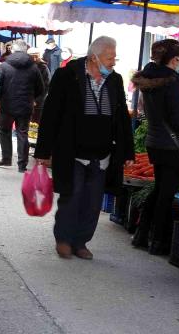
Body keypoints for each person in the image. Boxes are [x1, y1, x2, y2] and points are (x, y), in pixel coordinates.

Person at [34, 36, 134, 260]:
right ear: (93, 57)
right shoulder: (67, 76)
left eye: (114, 58)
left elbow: (121, 119)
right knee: (72, 196)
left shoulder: (115, 80)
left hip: (103, 154)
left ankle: (81, 242)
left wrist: (127, 151)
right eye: (109, 58)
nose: (113, 63)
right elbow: (51, 114)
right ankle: (63, 239)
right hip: (73, 152)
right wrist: (43, 151)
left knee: (92, 201)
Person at [130, 39, 179, 255]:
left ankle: (142, 235)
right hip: (171, 145)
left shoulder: (149, 79)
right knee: (166, 194)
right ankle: (157, 241)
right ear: (175, 59)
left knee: (160, 188)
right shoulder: (171, 83)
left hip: (155, 143)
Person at [0, 40, 45, 173]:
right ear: (25, 51)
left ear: (12, 50)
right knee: (22, 133)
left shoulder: (4, 66)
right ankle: (22, 165)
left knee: (4, 131)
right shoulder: (34, 67)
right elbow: (41, 88)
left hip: (7, 105)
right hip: (26, 106)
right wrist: (34, 100)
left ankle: (6, 159)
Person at [27, 47, 51, 124]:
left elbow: (46, 86)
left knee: (36, 122)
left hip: (38, 101)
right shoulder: (25, 66)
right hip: (25, 100)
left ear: (39, 56)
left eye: (36, 56)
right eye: (32, 56)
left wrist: (37, 100)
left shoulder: (43, 67)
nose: (34, 59)